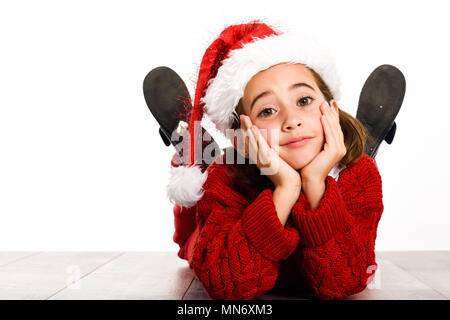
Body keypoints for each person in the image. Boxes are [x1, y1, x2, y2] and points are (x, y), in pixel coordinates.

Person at [168, 20, 383, 300]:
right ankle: (193, 150)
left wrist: (315, 182)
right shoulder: (225, 179)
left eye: (304, 101)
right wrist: (285, 189)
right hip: (215, 228)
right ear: (243, 136)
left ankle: (358, 132)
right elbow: (229, 285)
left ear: (331, 109)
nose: (291, 120)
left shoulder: (359, 174)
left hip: (334, 192)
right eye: (268, 111)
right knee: (193, 244)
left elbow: (347, 282)